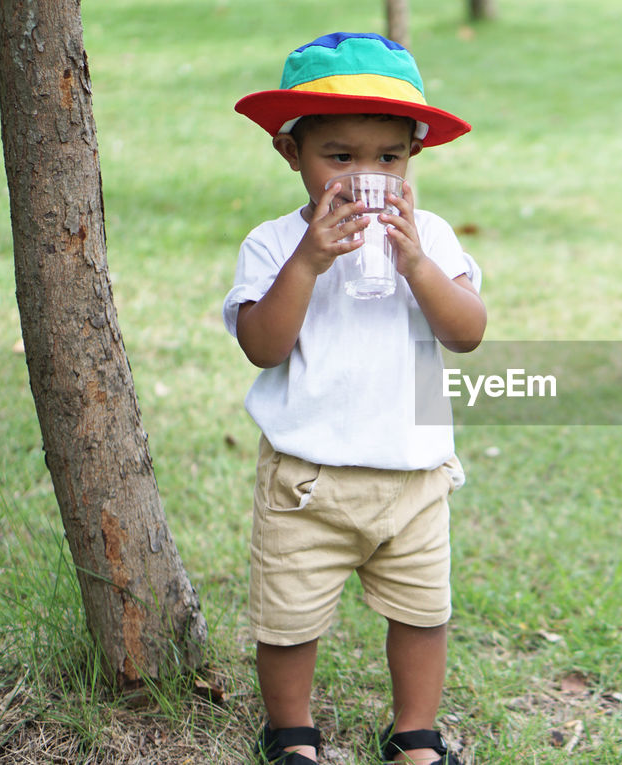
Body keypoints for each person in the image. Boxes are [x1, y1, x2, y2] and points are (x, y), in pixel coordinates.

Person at [224, 32, 485, 765]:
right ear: (291, 154)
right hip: (308, 480)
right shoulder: (274, 245)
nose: (364, 176)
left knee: (423, 613)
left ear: (413, 159)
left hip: (413, 475)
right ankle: (293, 733)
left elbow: (467, 333)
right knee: (288, 618)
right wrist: (308, 261)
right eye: (339, 156)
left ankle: (415, 733)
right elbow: (263, 345)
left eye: (387, 158)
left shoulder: (427, 235)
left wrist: (418, 266)